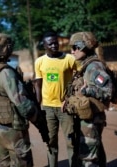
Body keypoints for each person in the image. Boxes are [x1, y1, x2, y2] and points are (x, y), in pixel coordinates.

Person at [0, 33, 48, 167]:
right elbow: (23, 105)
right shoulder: (6, 72)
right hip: (13, 131)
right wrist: (40, 123)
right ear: (6, 49)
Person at [64, 31, 112, 167]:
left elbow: (107, 90)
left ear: (83, 47)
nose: (72, 51)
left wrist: (86, 90)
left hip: (92, 119)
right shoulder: (87, 65)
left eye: (75, 47)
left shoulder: (94, 66)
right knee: (96, 152)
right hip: (89, 116)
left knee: (88, 158)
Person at [34, 31, 78, 167]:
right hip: (47, 108)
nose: (54, 45)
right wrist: (37, 105)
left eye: (56, 42)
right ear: (44, 45)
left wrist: (71, 98)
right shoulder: (40, 62)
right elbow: (38, 85)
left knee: (71, 141)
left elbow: (79, 79)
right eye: (50, 43)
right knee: (50, 142)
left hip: (65, 107)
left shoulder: (69, 59)